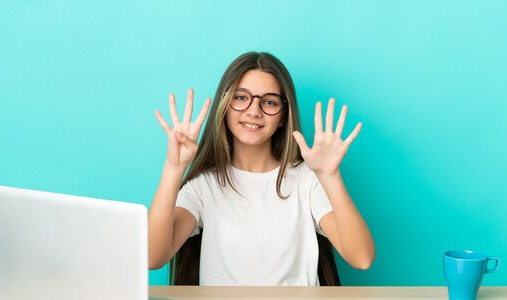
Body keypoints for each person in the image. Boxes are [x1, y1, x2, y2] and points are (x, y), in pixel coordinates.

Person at [148, 52, 374, 286]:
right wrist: (173, 168)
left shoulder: (306, 181)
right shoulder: (204, 186)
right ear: (224, 106)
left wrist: (330, 176)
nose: (254, 110)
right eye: (241, 97)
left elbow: (362, 258)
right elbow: (153, 257)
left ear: (283, 116)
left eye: (269, 102)